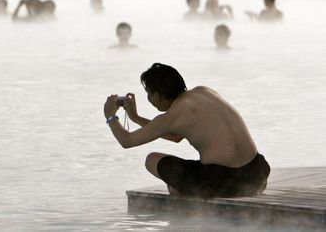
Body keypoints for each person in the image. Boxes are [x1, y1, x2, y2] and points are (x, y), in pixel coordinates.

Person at [103, 63, 270, 198]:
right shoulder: (205, 91)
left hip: (225, 182)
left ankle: (186, 193)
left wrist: (110, 116)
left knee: (151, 160)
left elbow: (126, 141)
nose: (149, 99)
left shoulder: (172, 115)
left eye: (148, 94)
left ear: (156, 95)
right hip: (258, 174)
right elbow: (176, 136)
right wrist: (135, 118)